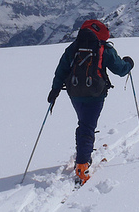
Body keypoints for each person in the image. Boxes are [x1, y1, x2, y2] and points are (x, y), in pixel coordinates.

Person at [47, 19, 133, 185]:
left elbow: (61, 70)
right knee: (87, 126)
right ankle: (82, 165)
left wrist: (55, 90)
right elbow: (120, 69)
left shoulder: (73, 48)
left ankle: (82, 154)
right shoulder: (104, 49)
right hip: (95, 94)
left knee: (84, 123)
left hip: (74, 93)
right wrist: (129, 63)